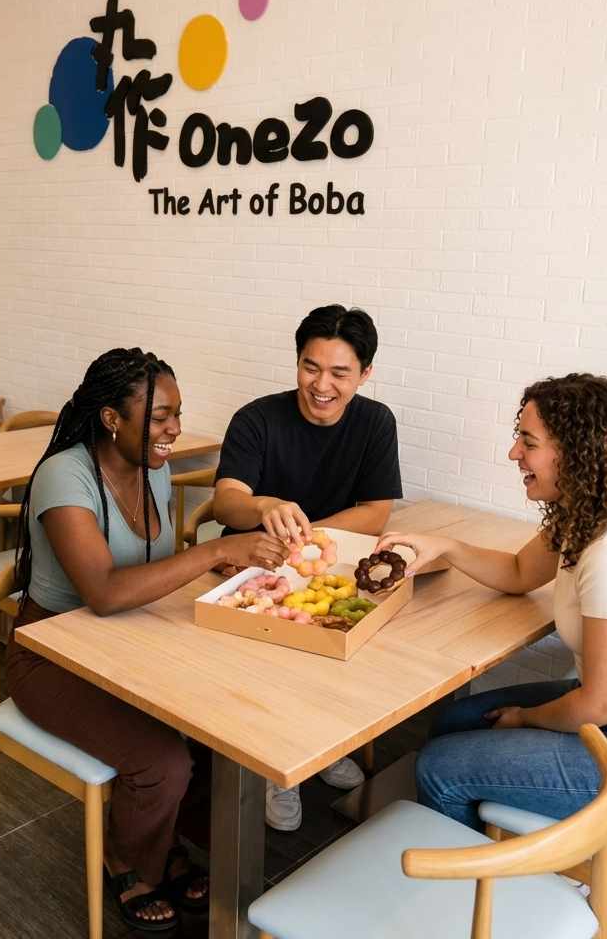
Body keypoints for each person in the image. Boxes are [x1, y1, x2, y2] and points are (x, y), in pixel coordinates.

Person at [5, 347, 288, 932]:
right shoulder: (65, 475)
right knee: (163, 761)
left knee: (223, 727)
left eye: (177, 414)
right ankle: (126, 859)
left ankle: (169, 837)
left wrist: (214, 564)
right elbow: (105, 591)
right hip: (52, 654)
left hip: (126, 643)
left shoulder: (153, 468)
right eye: (161, 417)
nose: (175, 429)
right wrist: (214, 549)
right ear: (113, 419)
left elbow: (153, 562)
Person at [376, 373, 607, 834]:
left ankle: (469, 871)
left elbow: (602, 704)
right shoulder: (583, 516)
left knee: (438, 767)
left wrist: (526, 719)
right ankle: (472, 831)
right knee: (456, 718)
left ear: (576, 453)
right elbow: (519, 573)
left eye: (528, 443)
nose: (514, 453)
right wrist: (446, 547)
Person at [212, 305, 403, 830]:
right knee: (278, 661)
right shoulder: (257, 418)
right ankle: (277, 769)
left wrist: (306, 539)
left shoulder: (375, 422)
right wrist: (263, 507)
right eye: (310, 367)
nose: (321, 385)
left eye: (340, 373)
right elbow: (226, 503)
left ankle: (319, 747)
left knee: (346, 653)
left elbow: (376, 512)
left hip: (326, 567)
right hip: (253, 569)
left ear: (365, 373)